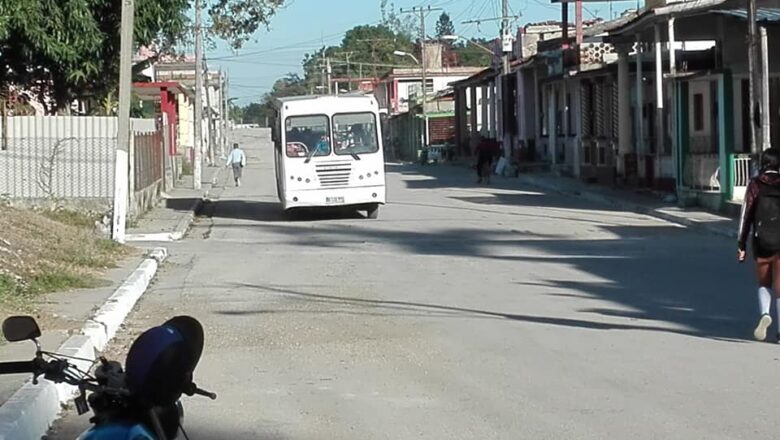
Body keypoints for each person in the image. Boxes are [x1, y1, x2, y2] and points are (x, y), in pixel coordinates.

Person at [738, 147, 780, 341]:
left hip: (762, 240)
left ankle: (765, 313)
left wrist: (741, 244)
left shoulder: (755, 184)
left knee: (764, 282)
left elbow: (746, 215)